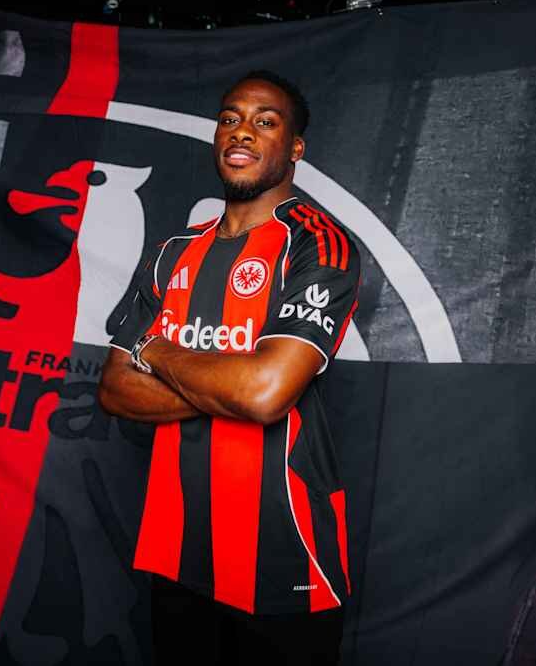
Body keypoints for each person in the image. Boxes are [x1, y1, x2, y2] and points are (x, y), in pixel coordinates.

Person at [98, 69, 362, 665]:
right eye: (230, 118)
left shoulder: (318, 244)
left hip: (285, 557)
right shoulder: (172, 252)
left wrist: (154, 351)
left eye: (265, 122)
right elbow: (114, 389)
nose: (242, 131)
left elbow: (264, 395)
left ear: (294, 148)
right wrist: (234, 383)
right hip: (176, 548)